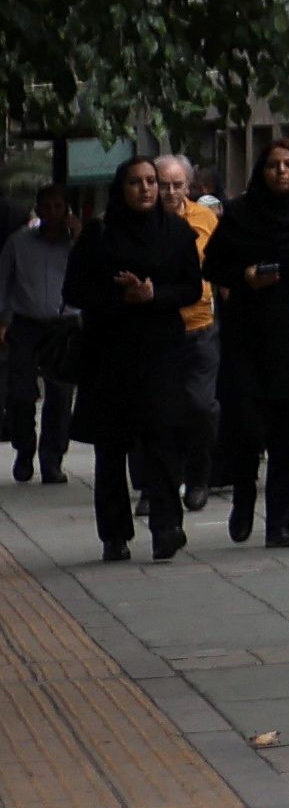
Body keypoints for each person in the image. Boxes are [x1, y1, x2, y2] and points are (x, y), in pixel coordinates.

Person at [204, 140, 289, 546]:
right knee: (244, 428)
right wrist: (245, 276)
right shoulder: (241, 214)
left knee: (288, 435)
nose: (281, 172)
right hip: (247, 331)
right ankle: (243, 499)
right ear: (261, 170)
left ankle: (280, 522)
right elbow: (213, 263)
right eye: (274, 165)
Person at [73, 157, 204, 561]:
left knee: (162, 437)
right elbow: (74, 290)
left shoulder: (177, 233)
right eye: (136, 182)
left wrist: (153, 295)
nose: (146, 189)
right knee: (112, 445)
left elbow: (191, 289)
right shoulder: (100, 235)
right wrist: (120, 297)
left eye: (151, 181)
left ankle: (167, 527)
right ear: (121, 187)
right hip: (110, 352)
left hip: (160, 350)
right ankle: (114, 533)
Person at [4, 181, 79, 483]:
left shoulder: (77, 243)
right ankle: (24, 449)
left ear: (67, 210)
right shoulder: (19, 242)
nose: (52, 213)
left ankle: (52, 460)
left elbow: (96, 267)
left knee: (60, 396)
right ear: (38, 210)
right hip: (26, 323)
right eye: (46, 207)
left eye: (58, 207)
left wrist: (79, 232)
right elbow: (3, 281)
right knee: (20, 393)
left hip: (65, 325)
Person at [156, 153, 220, 507]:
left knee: (200, 406)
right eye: (163, 185)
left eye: (176, 185)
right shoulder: (145, 223)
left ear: (188, 186)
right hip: (157, 326)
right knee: (159, 408)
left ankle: (199, 475)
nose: (169, 192)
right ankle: (160, 485)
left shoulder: (205, 218)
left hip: (199, 325)